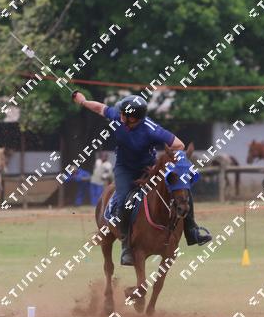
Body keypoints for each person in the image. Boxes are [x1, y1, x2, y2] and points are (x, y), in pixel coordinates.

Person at [72, 91, 211, 265]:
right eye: (122, 113)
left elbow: (179, 144)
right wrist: (83, 101)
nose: (121, 117)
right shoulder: (119, 117)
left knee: (181, 189)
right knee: (123, 200)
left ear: (136, 118)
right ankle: (126, 245)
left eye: (126, 115)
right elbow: (100, 108)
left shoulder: (151, 129)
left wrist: (166, 162)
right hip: (124, 170)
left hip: (148, 169)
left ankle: (192, 230)